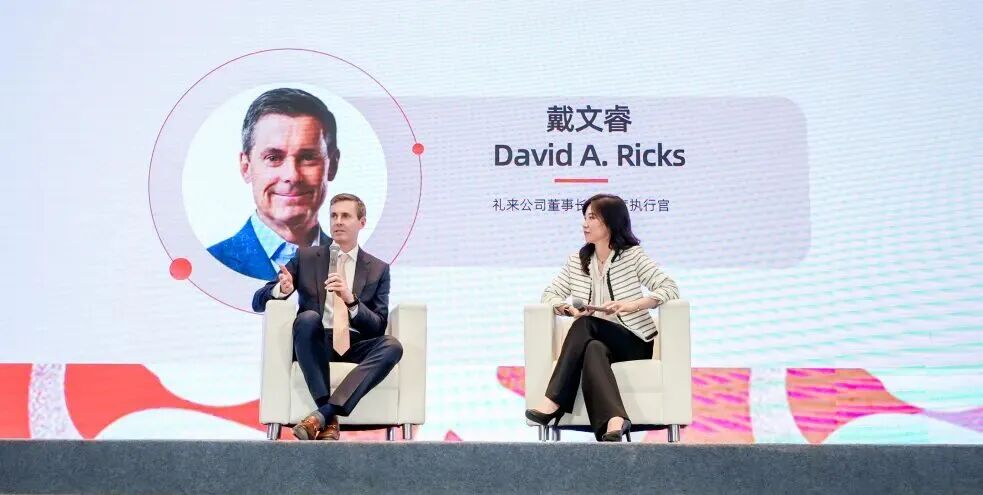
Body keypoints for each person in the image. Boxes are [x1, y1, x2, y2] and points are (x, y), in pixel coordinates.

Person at [525, 193, 679, 441]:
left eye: (592, 218)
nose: (585, 224)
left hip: (632, 341)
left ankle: (554, 401)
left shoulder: (633, 256)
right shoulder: (577, 261)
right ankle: (615, 422)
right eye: (585, 218)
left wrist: (632, 305)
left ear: (610, 222)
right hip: (597, 340)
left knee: (585, 324)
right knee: (593, 347)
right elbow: (550, 294)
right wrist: (569, 310)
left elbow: (668, 288)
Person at [252, 193, 401, 441]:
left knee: (392, 346)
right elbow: (257, 301)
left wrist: (351, 300)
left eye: (346, 216)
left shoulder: (378, 269)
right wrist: (281, 290)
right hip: (315, 343)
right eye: (334, 216)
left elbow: (377, 326)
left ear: (362, 222)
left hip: (355, 344)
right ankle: (327, 416)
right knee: (307, 318)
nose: (338, 221)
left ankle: (323, 415)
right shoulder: (306, 258)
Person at [209, 88, 341, 280]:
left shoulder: (360, 267)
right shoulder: (208, 264)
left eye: (307, 157)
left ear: (332, 165)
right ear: (246, 167)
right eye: (273, 158)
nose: (292, 176)